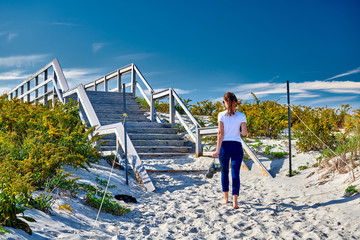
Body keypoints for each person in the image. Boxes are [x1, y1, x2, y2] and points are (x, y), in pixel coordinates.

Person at [212, 92, 247, 209]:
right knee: (235, 173)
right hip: (237, 146)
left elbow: (220, 133)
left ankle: (226, 199)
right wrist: (239, 131)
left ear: (226, 102)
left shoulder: (221, 115)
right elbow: (244, 133)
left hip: (225, 146)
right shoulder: (242, 115)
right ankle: (235, 202)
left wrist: (217, 150)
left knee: (225, 172)